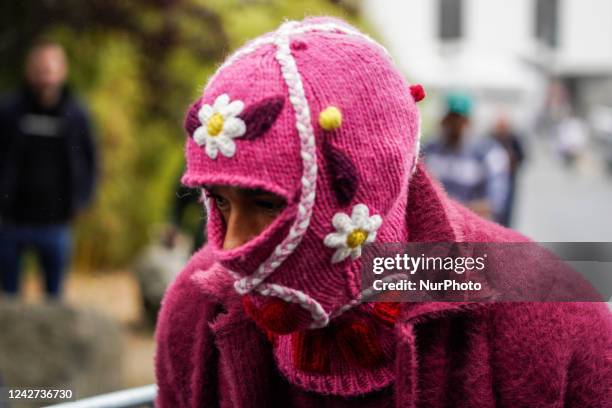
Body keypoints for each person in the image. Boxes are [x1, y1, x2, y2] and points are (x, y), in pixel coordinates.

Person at [155, 18, 611, 407]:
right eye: (219, 200)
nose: (232, 247)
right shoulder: (195, 309)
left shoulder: (549, 310)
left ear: (375, 183)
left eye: (267, 203)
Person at [0, 40, 97, 298]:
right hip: (12, 221)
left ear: (62, 71)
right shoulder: (9, 111)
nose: (46, 76)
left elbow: (90, 160)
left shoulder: (76, 114)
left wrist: (83, 199)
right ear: (29, 71)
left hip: (56, 222)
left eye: (51, 69)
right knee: (9, 301)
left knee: (54, 299)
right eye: (40, 69)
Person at [423, 93, 510, 224]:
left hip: (471, 228)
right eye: (451, 118)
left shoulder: (488, 152)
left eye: (460, 119)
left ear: (469, 121)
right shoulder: (429, 149)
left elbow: (495, 202)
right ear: (444, 119)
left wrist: (451, 209)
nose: (455, 125)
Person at [490, 115, 526, 227]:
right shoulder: (491, 138)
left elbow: (522, 156)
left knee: (507, 208)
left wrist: (511, 163)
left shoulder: (513, 139)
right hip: (493, 178)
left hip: (509, 179)